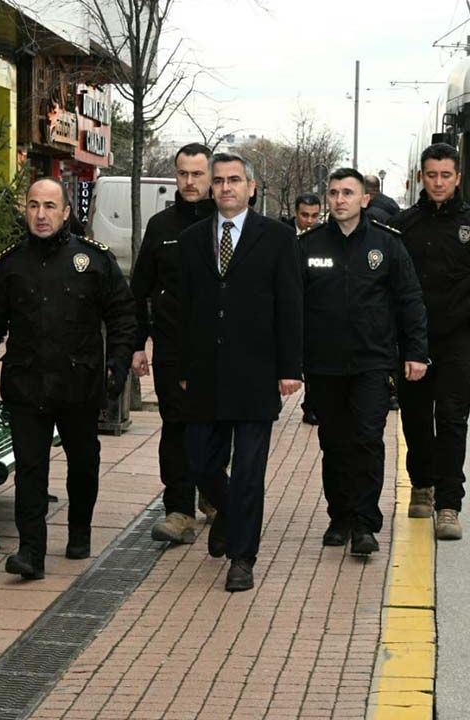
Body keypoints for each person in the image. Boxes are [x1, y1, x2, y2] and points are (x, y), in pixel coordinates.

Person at [0, 178, 136, 580]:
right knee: (30, 468)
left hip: (79, 383)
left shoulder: (93, 260)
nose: (40, 215)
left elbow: (122, 316)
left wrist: (118, 364)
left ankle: (79, 530)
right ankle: (31, 552)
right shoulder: (9, 264)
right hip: (27, 383)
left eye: (49, 207)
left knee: (83, 463)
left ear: (65, 212)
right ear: (25, 210)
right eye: (33, 206)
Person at [178, 152, 303, 592]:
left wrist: (290, 368)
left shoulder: (278, 238)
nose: (226, 187)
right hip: (205, 373)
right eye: (219, 181)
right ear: (210, 188)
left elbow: (290, 304)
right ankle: (228, 511)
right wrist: (181, 366)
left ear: (251, 187)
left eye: (234, 180)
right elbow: (182, 308)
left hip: (256, 373)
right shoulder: (192, 239)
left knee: (249, 471)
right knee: (199, 462)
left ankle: (242, 558)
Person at [390, 143, 470, 541]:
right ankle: (422, 485)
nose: (438, 182)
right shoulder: (402, 226)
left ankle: (449, 504)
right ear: (421, 177)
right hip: (411, 341)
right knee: (415, 418)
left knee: (451, 419)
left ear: (458, 178)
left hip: (456, 339)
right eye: (431, 175)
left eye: (446, 175)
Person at [301, 168, 428, 555]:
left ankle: (365, 524)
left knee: (368, 440)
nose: (340, 200)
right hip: (324, 364)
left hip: (372, 362)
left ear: (364, 199)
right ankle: (339, 517)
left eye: (348, 193)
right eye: (334, 193)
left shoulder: (387, 244)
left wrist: (416, 352)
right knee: (334, 442)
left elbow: (410, 300)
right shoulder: (308, 245)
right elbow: (291, 305)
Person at [130, 143, 217, 547]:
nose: (189, 181)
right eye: (183, 174)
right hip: (171, 348)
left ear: (211, 176)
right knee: (177, 428)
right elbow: (139, 290)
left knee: (215, 426)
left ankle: (213, 493)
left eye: (197, 174)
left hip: (217, 348)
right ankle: (178, 510)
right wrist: (137, 345)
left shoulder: (227, 225)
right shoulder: (161, 226)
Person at [292, 192, 323, 425]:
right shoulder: (283, 235)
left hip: (311, 309)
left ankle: (312, 404)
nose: (310, 221)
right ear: (296, 213)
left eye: (314, 216)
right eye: (305, 215)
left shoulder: (321, 239)